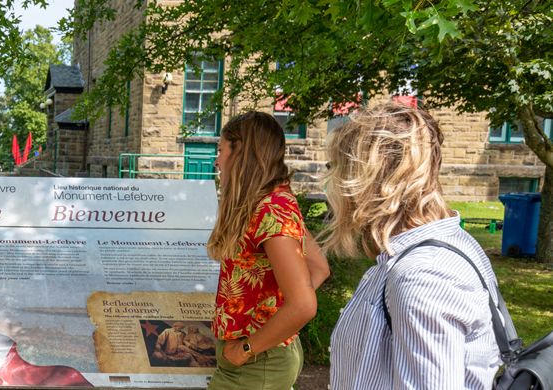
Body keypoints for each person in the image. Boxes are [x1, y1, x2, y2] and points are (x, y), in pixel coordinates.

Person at [325, 103, 515, 389]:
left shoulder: (423, 275)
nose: (331, 182)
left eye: (336, 168)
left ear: (367, 177)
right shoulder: (440, 244)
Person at [204, 111, 330, 390]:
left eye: (221, 150)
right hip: (261, 357)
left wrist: (246, 349)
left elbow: (304, 304)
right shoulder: (273, 203)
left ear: (240, 151)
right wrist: (272, 316)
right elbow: (318, 268)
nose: (217, 161)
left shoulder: (271, 209)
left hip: (254, 363)